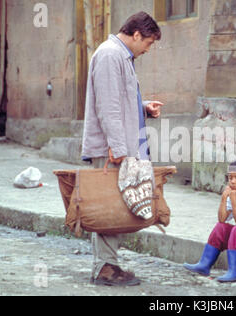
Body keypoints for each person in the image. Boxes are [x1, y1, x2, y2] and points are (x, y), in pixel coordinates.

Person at [81, 12, 163, 286]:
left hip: (121, 146)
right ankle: (104, 268)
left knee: (118, 206)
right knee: (109, 206)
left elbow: (120, 100)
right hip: (112, 149)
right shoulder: (109, 55)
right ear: (136, 34)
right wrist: (117, 146)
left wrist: (143, 107)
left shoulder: (120, 56)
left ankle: (109, 264)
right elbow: (108, 107)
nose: (148, 49)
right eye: (148, 43)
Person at [183, 158, 236, 282]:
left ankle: (234, 271)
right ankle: (204, 264)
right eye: (230, 178)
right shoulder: (234, 192)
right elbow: (222, 219)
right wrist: (224, 199)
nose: (232, 181)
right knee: (221, 227)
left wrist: (233, 201)